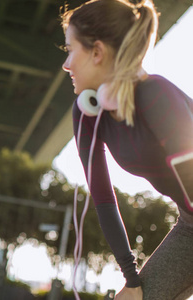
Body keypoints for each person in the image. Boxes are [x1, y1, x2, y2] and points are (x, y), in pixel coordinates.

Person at [61, 0, 193, 299]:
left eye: (70, 50)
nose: (66, 64)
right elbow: (104, 200)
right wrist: (131, 281)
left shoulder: (156, 95)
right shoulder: (87, 113)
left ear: (97, 52)